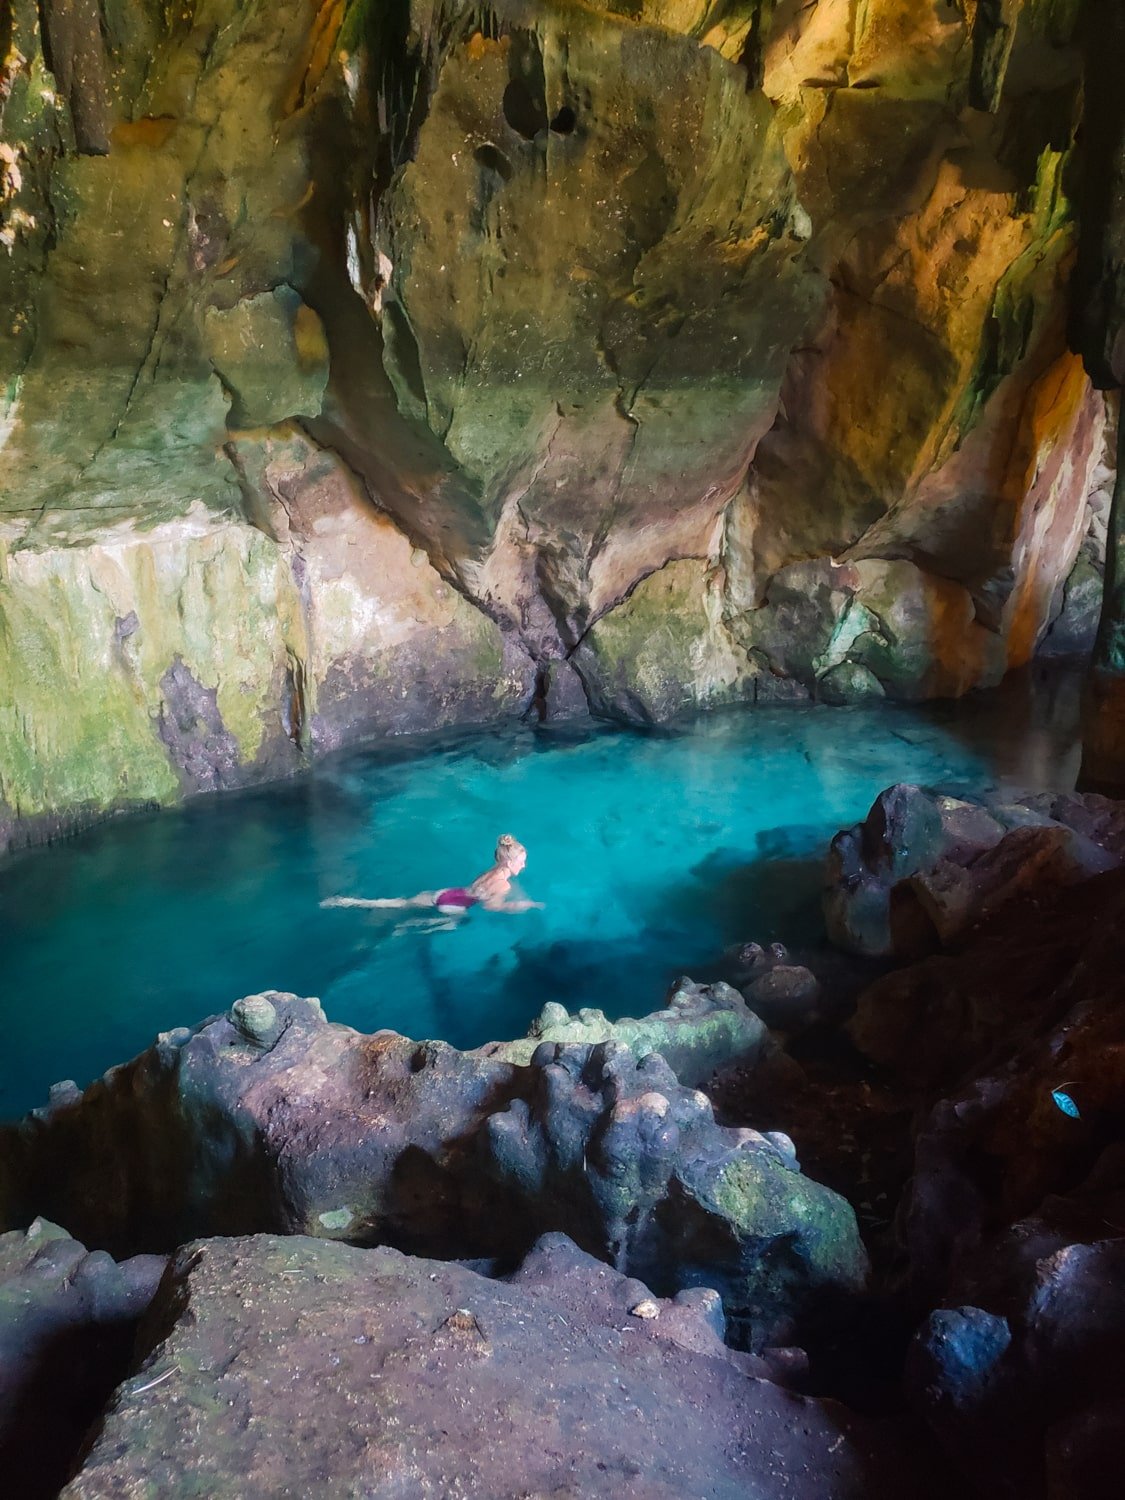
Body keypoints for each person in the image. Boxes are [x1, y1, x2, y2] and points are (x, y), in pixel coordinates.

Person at [321, 834, 543, 918]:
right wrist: (520, 905)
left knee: (400, 903)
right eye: (522, 861)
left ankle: (349, 902)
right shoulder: (504, 886)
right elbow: (490, 907)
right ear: (509, 861)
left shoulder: (492, 870)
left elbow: (478, 890)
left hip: (448, 893)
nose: (524, 866)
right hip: (456, 907)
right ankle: (409, 928)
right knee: (456, 923)